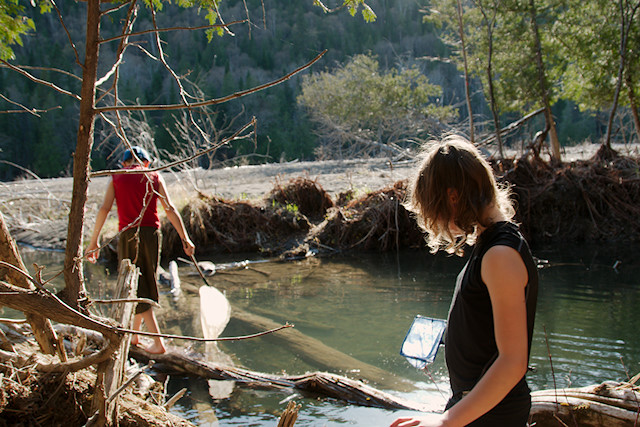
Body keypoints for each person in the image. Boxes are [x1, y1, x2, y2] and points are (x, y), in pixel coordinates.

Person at [391, 136, 538, 427]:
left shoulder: (500, 254)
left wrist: (445, 423)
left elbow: (512, 363)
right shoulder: (489, 247)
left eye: (435, 209)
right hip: (476, 408)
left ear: (453, 197)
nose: (438, 222)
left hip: (493, 415)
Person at [86, 146, 195, 354]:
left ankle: (157, 342)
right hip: (151, 234)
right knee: (146, 281)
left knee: (135, 284)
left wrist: (94, 241)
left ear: (124, 163)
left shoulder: (116, 177)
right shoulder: (154, 176)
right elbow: (169, 209)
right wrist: (185, 238)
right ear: (146, 162)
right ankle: (135, 336)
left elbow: (104, 208)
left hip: (128, 235)